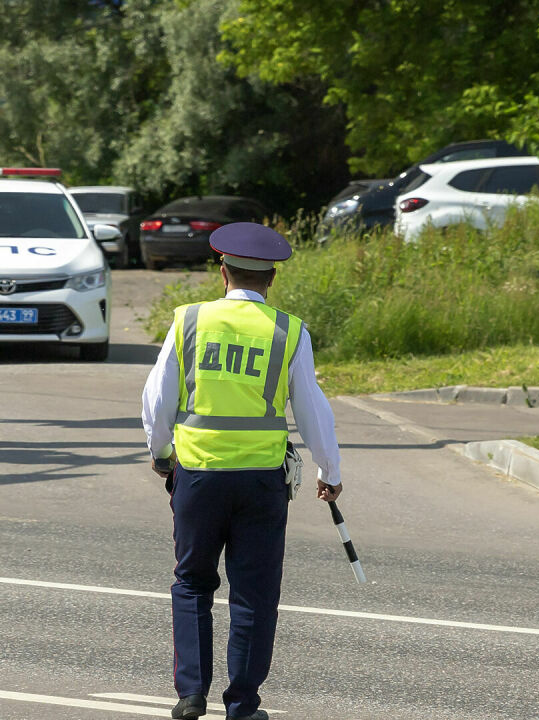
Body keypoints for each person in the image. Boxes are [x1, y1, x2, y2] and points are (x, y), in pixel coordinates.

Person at [141, 223, 343, 720]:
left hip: (199, 473)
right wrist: (329, 470)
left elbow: (157, 398)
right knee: (253, 593)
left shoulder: (188, 321)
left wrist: (161, 452)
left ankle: (190, 694)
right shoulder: (289, 331)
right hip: (260, 480)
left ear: (222, 270)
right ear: (272, 278)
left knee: (192, 582)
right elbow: (312, 408)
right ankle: (243, 706)